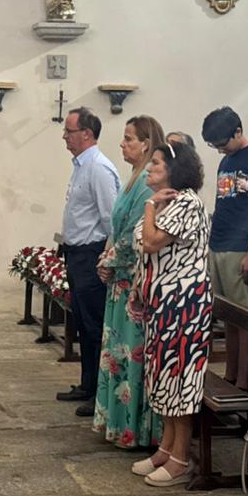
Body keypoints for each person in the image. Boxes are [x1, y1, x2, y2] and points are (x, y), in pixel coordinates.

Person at [130, 142, 213, 487]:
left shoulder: (186, 203)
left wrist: (150, 205)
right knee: (161, 376)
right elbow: (146, 253)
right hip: (162, 305)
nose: (150, 169)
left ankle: (181, 458)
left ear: (175, 171)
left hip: (184, 306)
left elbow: (151, 242)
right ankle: (166, 447)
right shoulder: (168, 204)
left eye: (157, 164)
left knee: (179, 379)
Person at [93, 115, 167, 449]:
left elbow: (138, 233)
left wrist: (110, 259)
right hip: (120, 281)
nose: (122, 144)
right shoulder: (133, 177)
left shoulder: (146, 184)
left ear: (147, 144)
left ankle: (135, 428)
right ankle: (118, 424)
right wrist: (106, 257)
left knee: (132, 355)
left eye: (128, 139)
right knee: (118, 355)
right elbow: (116, 229)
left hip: (135, 283)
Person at [56, 107, 120, 412]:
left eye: (69, 131)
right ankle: (87, 384)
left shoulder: (99, 168)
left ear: (87, 134)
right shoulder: (81, 165)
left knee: (94, 326)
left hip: (91, 255)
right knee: (83, 324)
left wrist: (106, 259)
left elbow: (111, 219)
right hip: (77, 255)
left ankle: (99, 394)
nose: (65, 136)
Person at [201, 107, 248, 311]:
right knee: (228, 315)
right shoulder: (226, 160)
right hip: (218, 244)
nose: (220, 150)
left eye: (223, 144)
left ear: (238, 131)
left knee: (247, 315)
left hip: (242, 248)